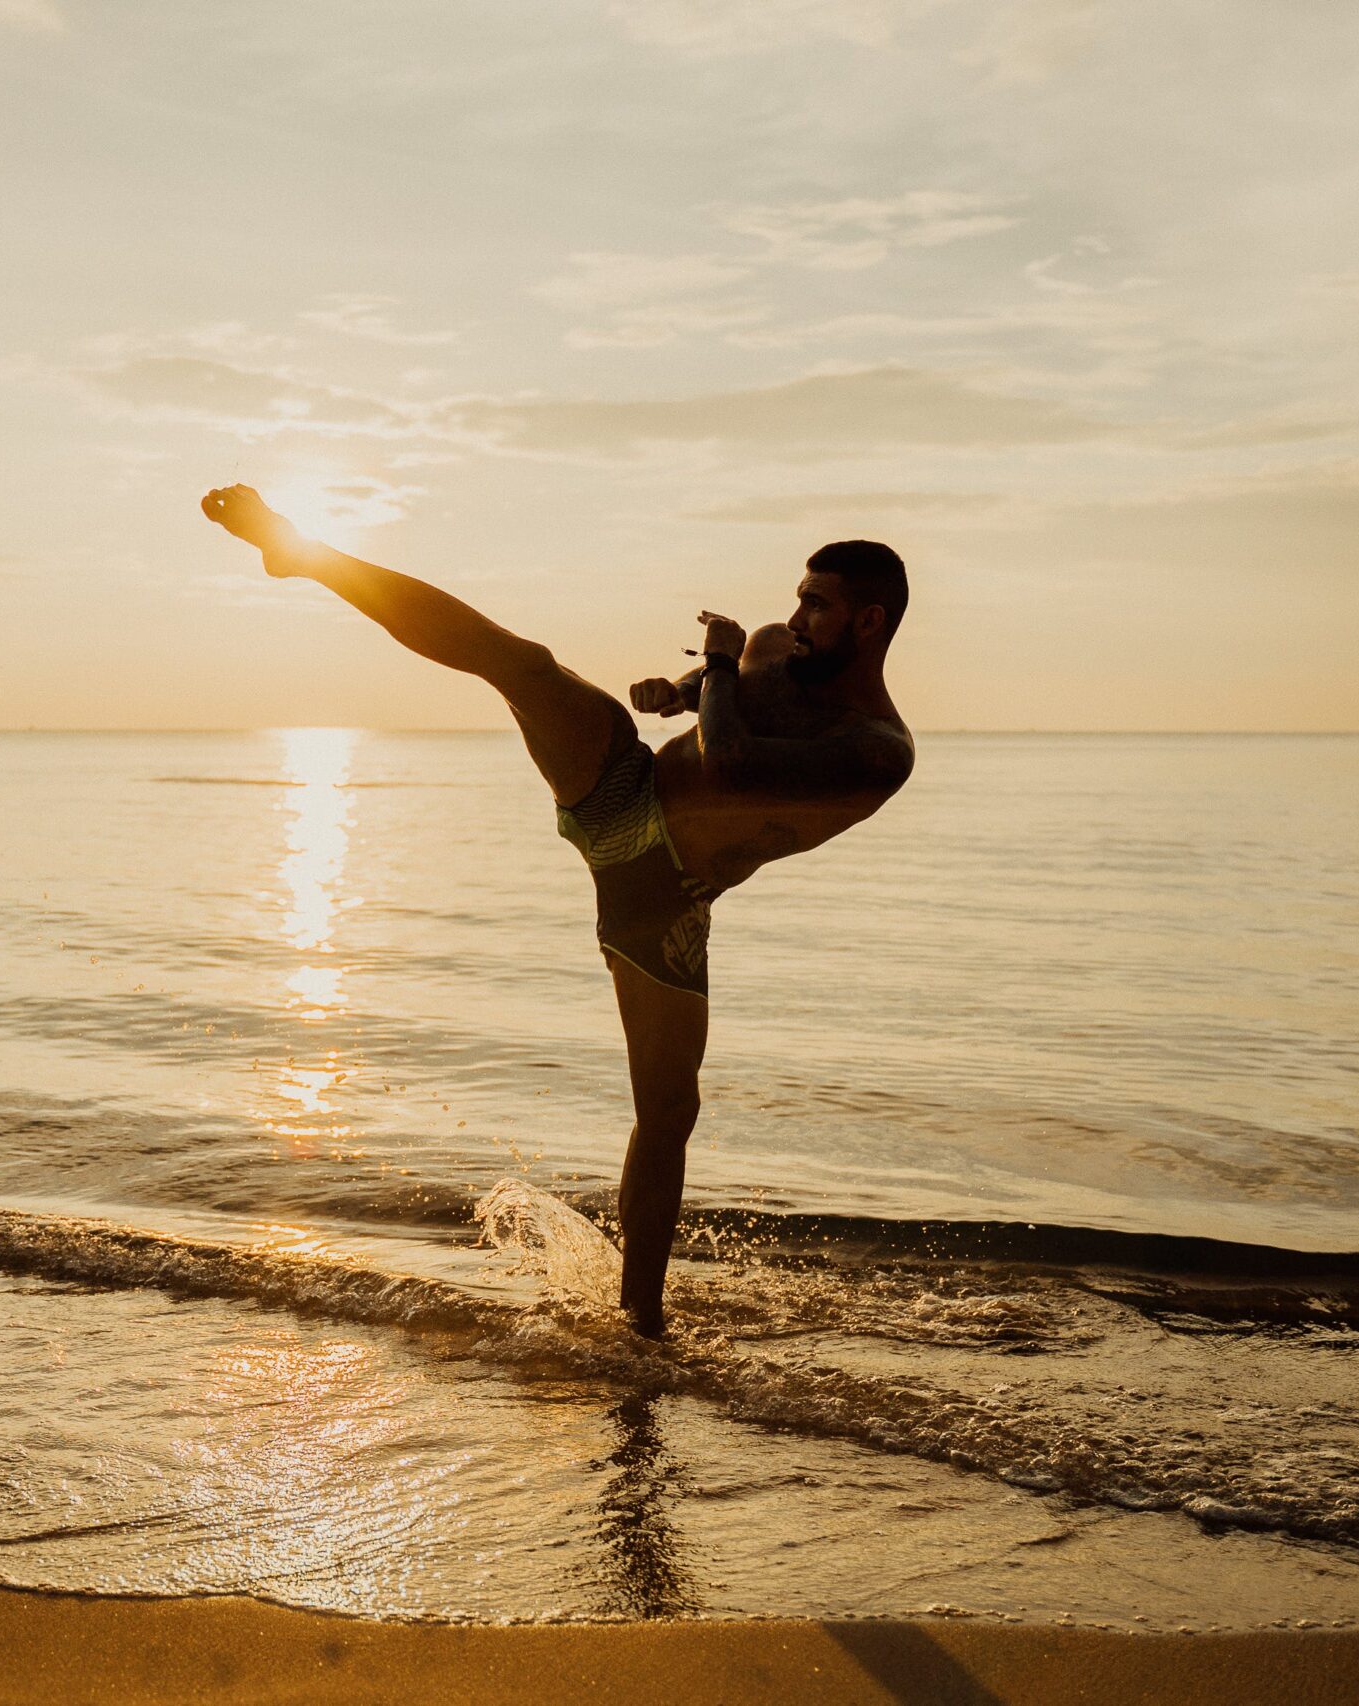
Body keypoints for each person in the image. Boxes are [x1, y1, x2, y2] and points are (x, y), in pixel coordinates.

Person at [199, 485, 914, 1337]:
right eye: (798, 595)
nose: (794, 617)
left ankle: (639, 1326)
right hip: (624, 790)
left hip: (667, 901)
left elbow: (730, 759)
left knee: (668, 1115)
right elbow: (719, 701)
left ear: (869, 624)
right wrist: (679, 689)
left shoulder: (875, 752)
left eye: (818, 605)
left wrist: (716, 674)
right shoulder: (768, 650)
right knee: (522, 663)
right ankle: (305, 552)